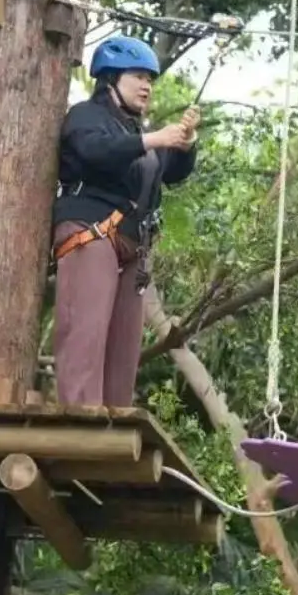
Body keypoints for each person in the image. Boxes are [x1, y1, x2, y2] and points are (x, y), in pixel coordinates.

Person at [51, 35, 200, 406]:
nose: (147, 85)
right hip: (92, 229)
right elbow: (95, 151)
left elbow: (170, 174)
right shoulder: (86, 117)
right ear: (111, 79)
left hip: (134, 242)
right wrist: (153, 139)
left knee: (124, 343)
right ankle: (80, 417)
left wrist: (184, 146)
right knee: (86, 330)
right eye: (138, 76)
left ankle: (115, 417)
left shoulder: (135, 131)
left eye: (150, 78)